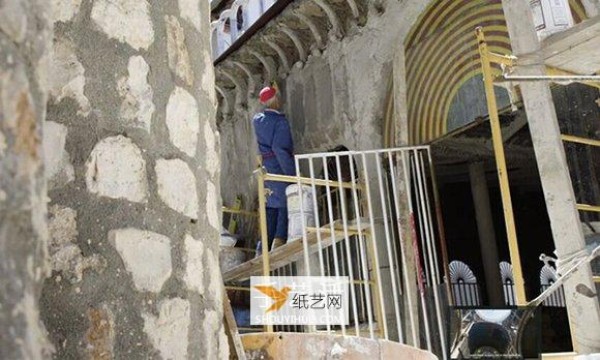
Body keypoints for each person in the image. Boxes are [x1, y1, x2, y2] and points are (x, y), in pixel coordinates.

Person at [253, 86, 295, 253]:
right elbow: (280, 148)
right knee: (287, 201)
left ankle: (261, 249)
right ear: (275, 100)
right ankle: (279, 240)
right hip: (279, 166)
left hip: (266, 167)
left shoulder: (258, 120)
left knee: (270, 207)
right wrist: (292, 174)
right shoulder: (280, 122)